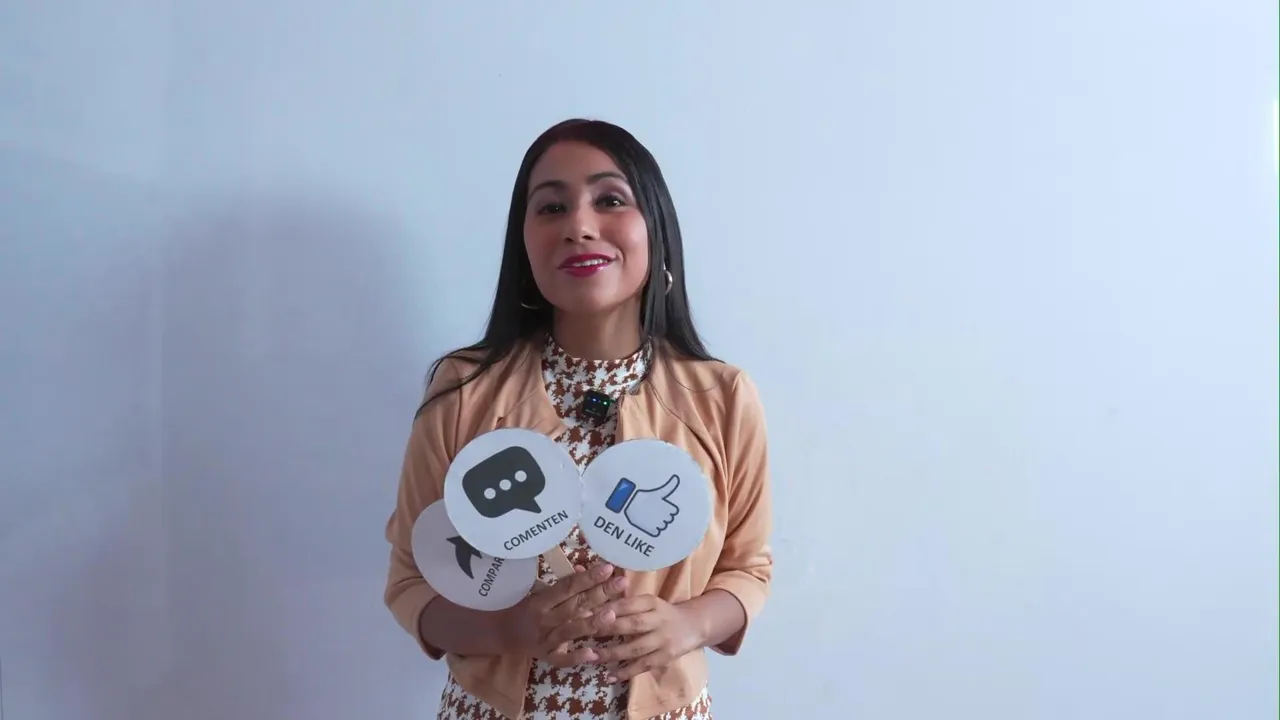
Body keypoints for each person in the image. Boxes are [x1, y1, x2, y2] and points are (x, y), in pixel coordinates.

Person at [383, 118, 773, 720]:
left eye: (610, 200)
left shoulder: (723, 397)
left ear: (656, 228)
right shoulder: (463, 390)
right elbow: (412, 580)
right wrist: (510, 630)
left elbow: (747, 569)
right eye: (551, 207)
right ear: (524, 243)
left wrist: (688, 624)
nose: (579, 226)